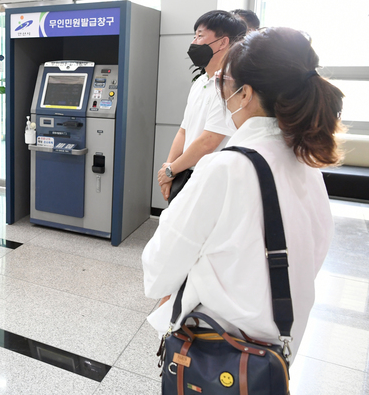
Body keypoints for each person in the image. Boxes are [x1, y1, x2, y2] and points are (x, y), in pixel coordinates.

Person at [143, 27, 342, 360]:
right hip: (275, 349)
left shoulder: (226, 168)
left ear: (246, 94)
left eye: (226, 81)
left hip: (217, 348)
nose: (223, 89)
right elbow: (312, 252)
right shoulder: (306, 162)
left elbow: (161, 263)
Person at [157, 10, 247, 203]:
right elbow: (183, 130)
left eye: (200, 35)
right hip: (184, 172)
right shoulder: (201, 82)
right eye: (194, 36)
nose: (193, 42)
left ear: (222, 42)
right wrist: (169, 167)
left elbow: (209, 141)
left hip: (211, 180)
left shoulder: (229, 85)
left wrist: (171, 170)